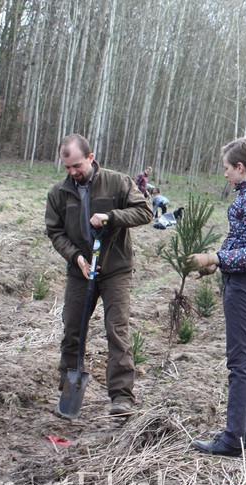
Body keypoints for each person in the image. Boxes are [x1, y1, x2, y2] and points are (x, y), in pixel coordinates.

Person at [45, 133, 152, 417]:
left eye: (77, 165)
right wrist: (75, 257)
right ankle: (68, 396)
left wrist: (112, 216)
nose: (72, 172)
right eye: (67, 167)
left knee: (117, 331)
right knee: (72, 332)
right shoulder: (58, 193)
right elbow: (55, 232)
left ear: (90, 157)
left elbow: (145, 211)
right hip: (80, 272)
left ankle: (121, 398)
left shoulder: (117, 182)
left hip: (115, 270)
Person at [188, 137, 246, 458]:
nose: (225, 174)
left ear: (240, 167)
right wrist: (220, 260)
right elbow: (240, 239)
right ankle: (244, 432)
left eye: (227, 168)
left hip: (245, 285)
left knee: (240, 363)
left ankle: (232, 440)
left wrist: (214, 257)